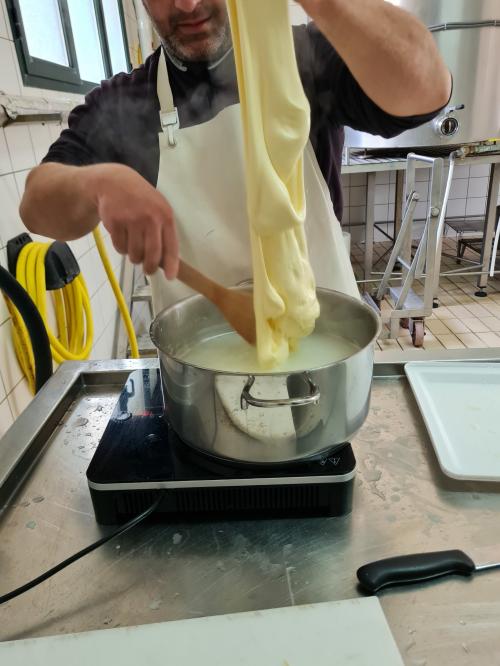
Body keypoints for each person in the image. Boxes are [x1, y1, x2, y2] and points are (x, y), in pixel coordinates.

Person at [20, 0, 451, 313]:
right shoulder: (125, 104)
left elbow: (427, 89)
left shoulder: (305, 60)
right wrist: (94, 184)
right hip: (199, 372)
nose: (186, 4)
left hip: (322, 347)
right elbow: (37, 206)